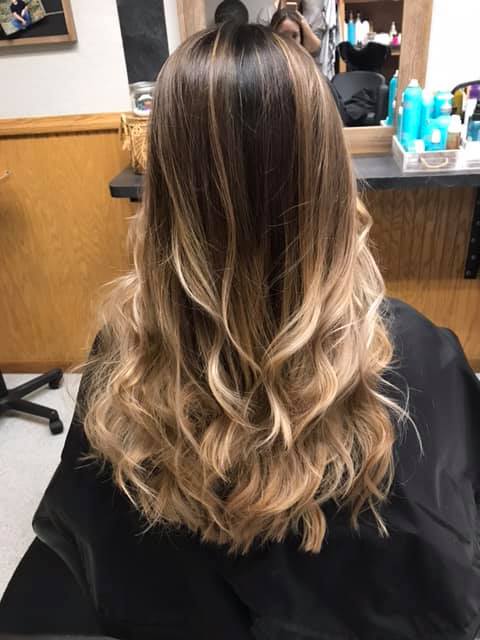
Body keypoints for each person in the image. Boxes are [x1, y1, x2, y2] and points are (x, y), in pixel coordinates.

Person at [32, 23, 480, 639]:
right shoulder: (420, 351)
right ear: (328, 175)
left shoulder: (123, 353)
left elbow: (100, 559)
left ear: (166, 193)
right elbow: (444, 554)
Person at [258, 0, 322, 56]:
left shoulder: (313, 14)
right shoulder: (267, 13)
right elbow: (262, 50)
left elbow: (315, 51)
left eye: (294, 36)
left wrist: (303, 24)